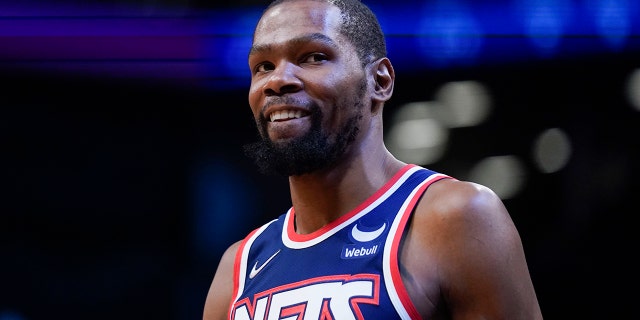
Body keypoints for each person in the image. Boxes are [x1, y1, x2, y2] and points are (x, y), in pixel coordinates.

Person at [203, 0, 543, 318]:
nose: (277, 80)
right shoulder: (239, 267)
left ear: (379, 81)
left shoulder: (456, 217)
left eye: (313, 57)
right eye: (263, 66)